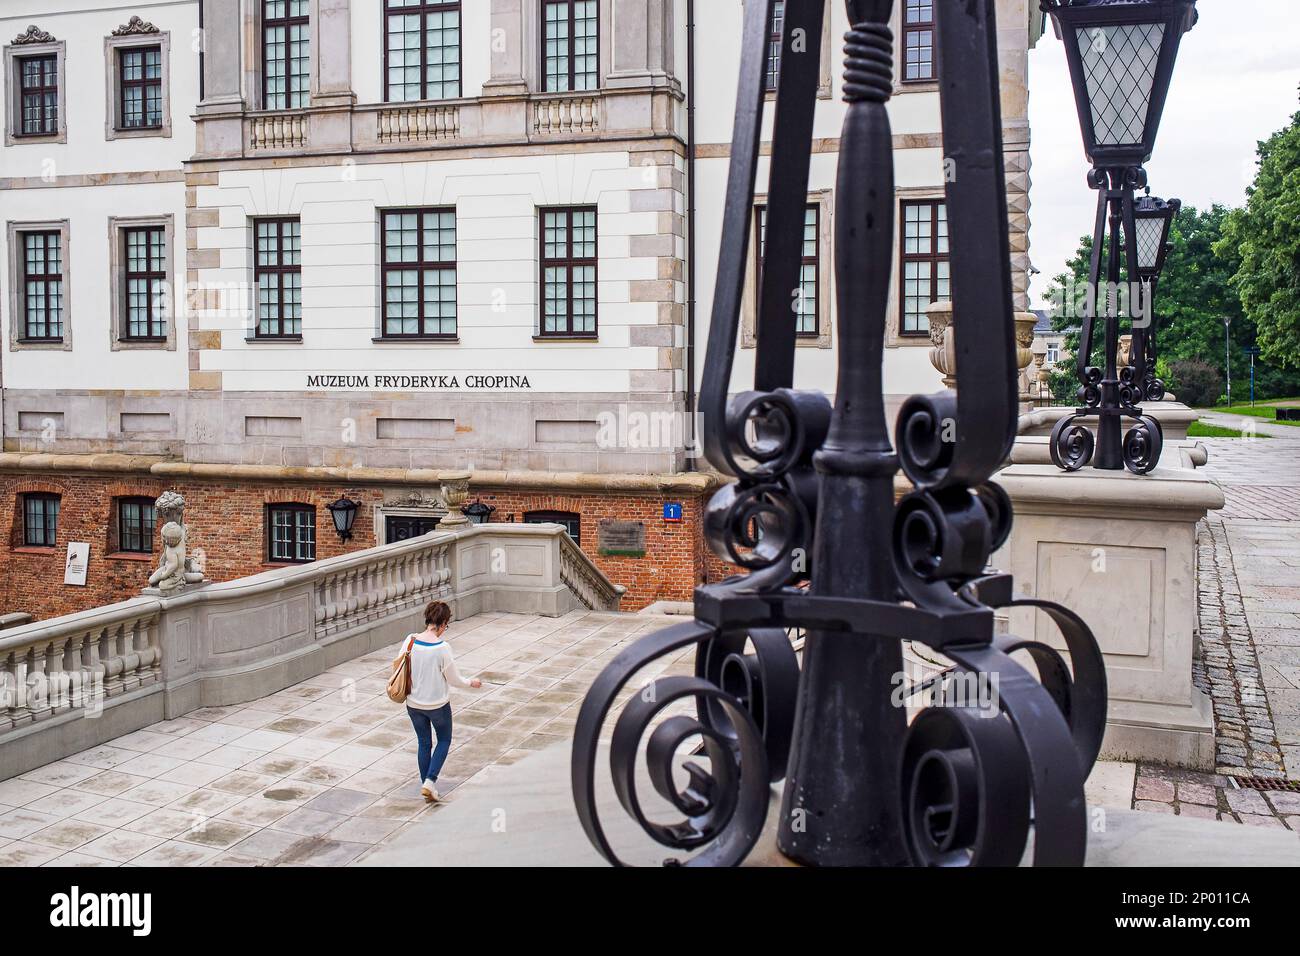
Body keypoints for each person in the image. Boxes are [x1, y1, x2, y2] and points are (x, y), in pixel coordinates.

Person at [393, 600, 482, 802]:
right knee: (444, 740)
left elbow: (397, 665)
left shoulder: (410, 641)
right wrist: (471, 683)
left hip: (413, 704)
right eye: (446, 625)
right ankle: (430, 781)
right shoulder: (442, 648)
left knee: (424, 743)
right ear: (442, 623)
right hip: (437, 706)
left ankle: (427, 785)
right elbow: (454, 679)